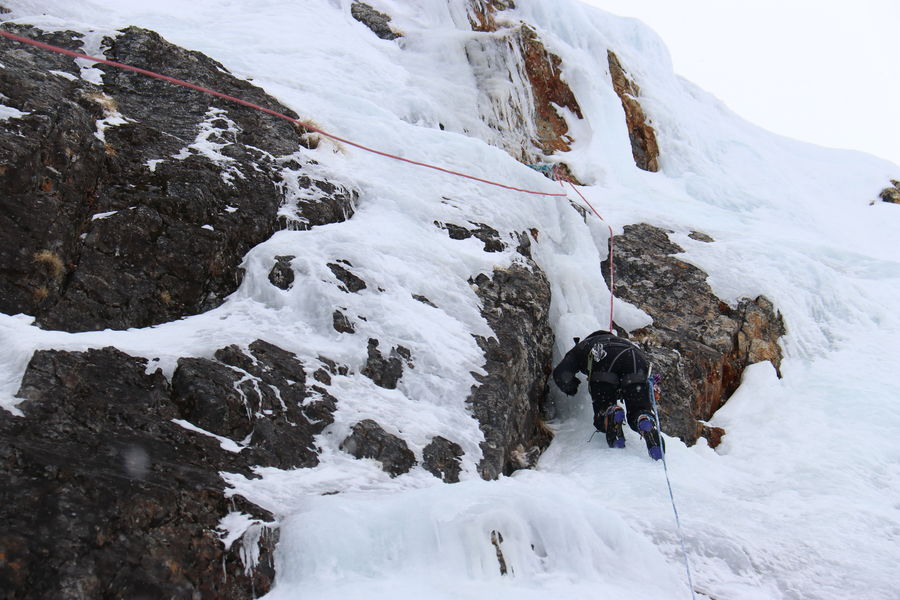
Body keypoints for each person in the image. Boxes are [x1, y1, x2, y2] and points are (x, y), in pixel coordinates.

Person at [552, 330, 663, 460]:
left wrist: (572, 388)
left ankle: (610, 412)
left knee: (603, 414)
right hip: (635, 358)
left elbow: (561, 373)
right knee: (638, 410)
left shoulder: (584, 346)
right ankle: (644, 419)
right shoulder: (626, 343)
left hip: (603, 361)